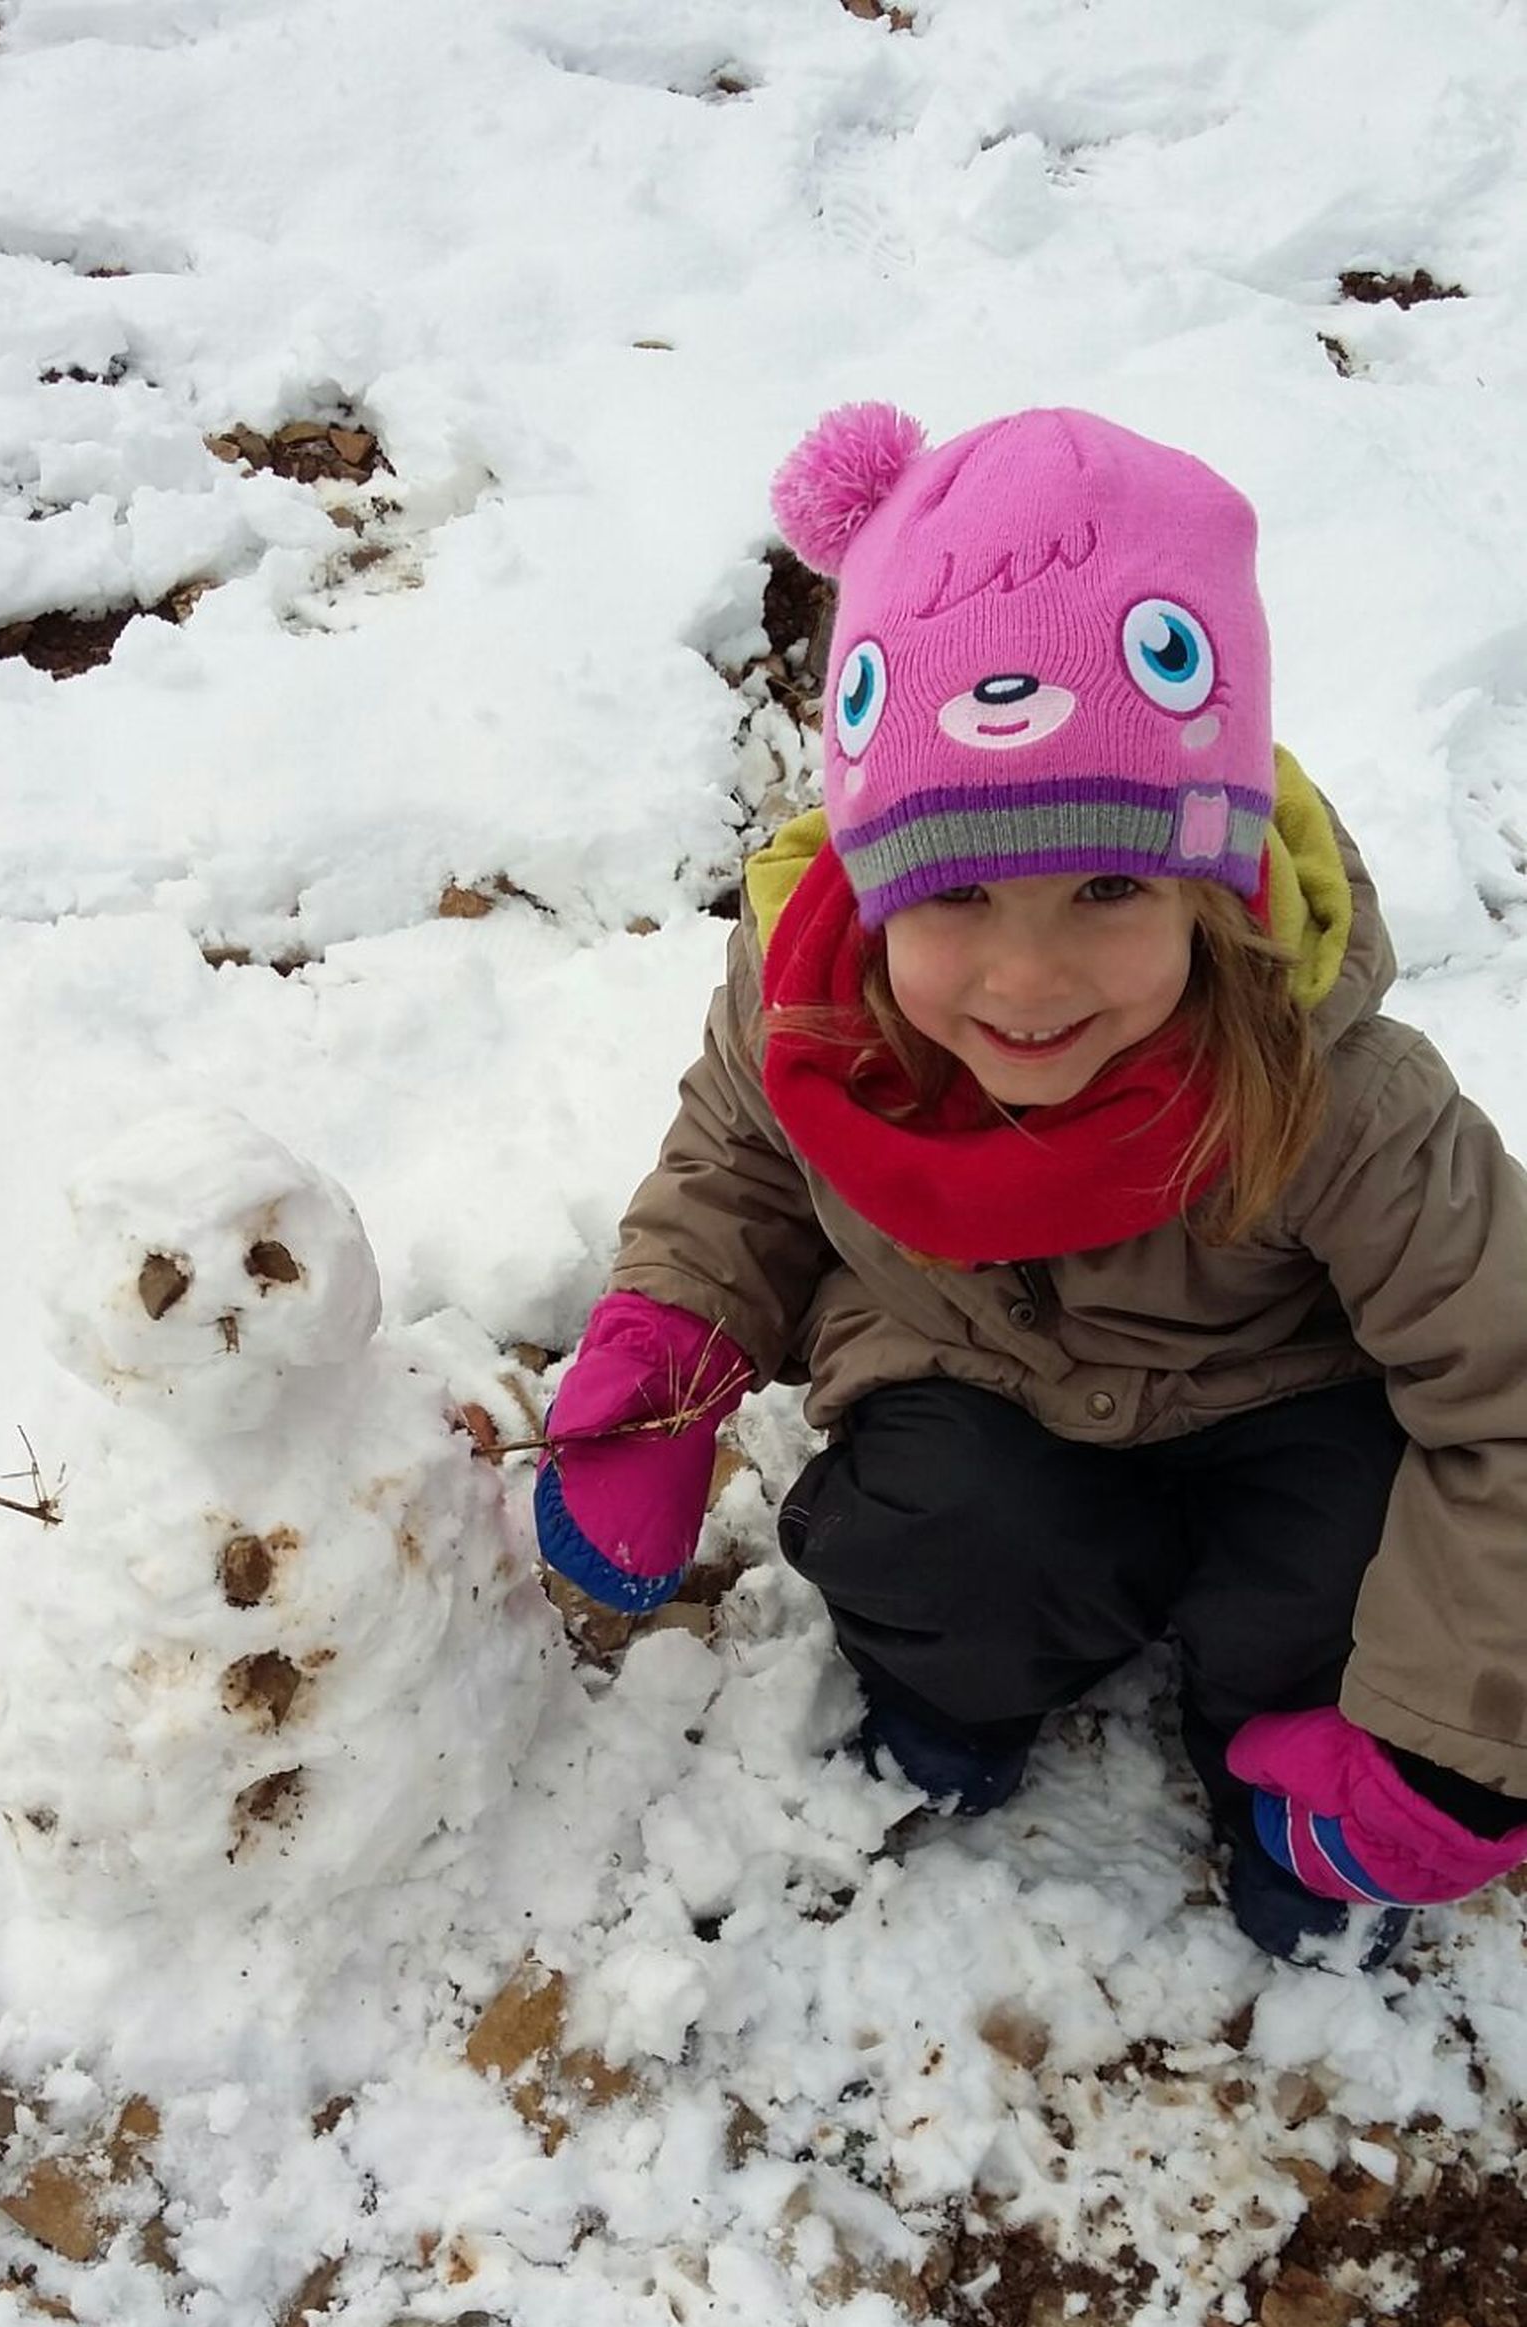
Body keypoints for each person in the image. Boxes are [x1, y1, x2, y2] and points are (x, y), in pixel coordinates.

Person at [534, 401, 1527, 1969]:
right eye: (962, 892)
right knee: (944, 1540)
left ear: (1212, 883)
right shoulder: (813, 1005)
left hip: (1271, 1404)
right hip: (973, 1377)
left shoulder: (1334, 1086)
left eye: (1112, 887)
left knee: (1334, 1580)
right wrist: (664, 1360)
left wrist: (1446, 1745)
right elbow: (738, 1166)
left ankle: (1292, 1777)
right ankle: (956, 1692)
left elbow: (1511, 1391)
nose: (1027, 974)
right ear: (871, 881)